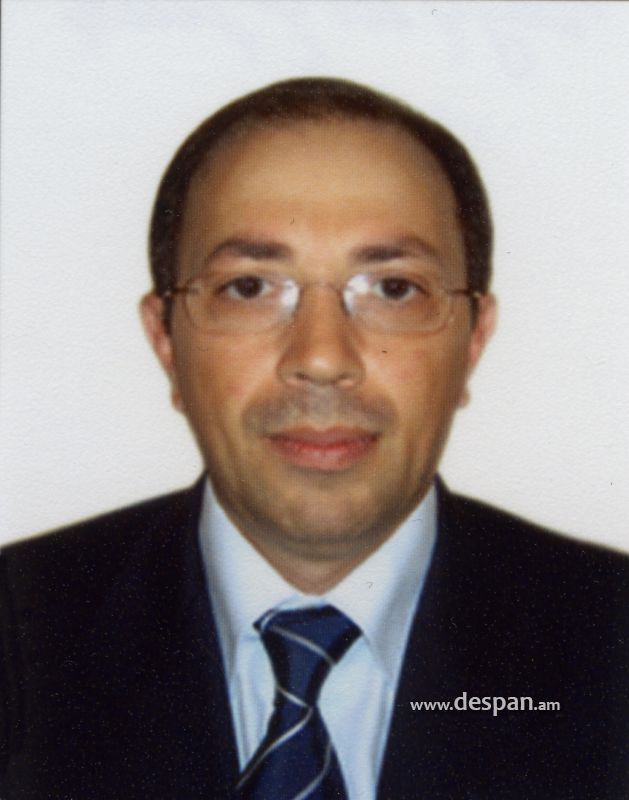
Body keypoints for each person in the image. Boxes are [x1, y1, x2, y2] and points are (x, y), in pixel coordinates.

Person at [1, 77, 627, 800]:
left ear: (472, 341)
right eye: (250, 287)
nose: (323, 358)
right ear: (166, 342)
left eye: (393, 288)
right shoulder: (22, 634)